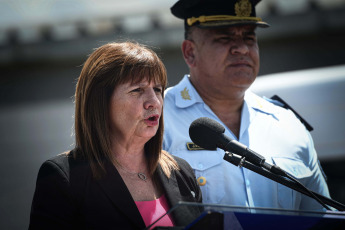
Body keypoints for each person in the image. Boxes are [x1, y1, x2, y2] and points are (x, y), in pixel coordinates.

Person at [163, 0, 331, 211]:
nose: (242, 48)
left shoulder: (286, 123)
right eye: (225, 38)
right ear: (190, 53)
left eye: (249, 37)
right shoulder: (156, 121)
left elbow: (322, 218)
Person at [29, 41, 202, 230]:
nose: (154, 102)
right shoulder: (63, 178)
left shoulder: (181, 172)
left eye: (158, 90)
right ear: (100, 102)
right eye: (137, 90)